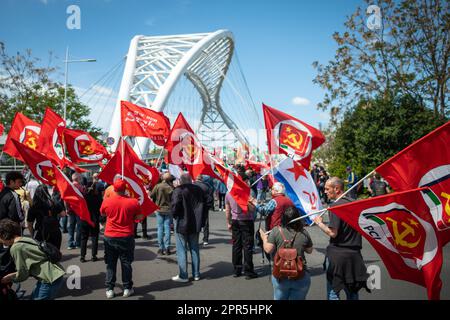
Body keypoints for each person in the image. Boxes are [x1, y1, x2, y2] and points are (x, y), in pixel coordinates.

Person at [314, 177, 369, 300]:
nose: (325, 191)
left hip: (338, 256)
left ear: (337, 189)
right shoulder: (354, 203)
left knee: (334, 292)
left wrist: (319, 223)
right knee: (352, 292)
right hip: (354, 255)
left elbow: (333, 233)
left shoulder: (336, 207)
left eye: (328, 189)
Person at [0, 219, 65, 300]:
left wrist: (10, 278)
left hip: (48, 279)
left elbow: (23, 273)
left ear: (4, 235)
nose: (1, 242)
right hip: (54, 273)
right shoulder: (25, 239)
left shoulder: (16, 248)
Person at [100, 179, 144, 299]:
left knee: (111, 263)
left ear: (114, 189)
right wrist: (131, 215)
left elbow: (103, 214)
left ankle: (109, 289)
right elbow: (140, 216)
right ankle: (127, 288)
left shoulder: (107, 201)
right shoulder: (133, 202)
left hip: (110, 236)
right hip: (126, 236)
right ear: (125, 189)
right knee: (126, 263)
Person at [259, 206, 313, 300]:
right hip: (300, 274)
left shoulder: (276, 231)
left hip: (281, 275)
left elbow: (268, 249)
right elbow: (309, 250)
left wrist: (264, 238)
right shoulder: (303, 232)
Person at [170, 173, 206, 282]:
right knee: (194, 248)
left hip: (182, 222)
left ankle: (183, 275)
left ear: (181, 181)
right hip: (195, 223)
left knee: (182, 249)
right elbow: (207, 203)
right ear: (190, 180)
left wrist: (175, 216)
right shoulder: (199, 189)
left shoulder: (179, 190)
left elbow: (175, 205)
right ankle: (196, 274)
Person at [225, 192, 258, 279]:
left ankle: (237, 269)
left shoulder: (228, 193)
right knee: (247, 246)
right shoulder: (247, 193)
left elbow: (227, 209)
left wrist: (228, 222)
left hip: (235, 220)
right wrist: (251, 200)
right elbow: (253, 208)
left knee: (236, 245)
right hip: (246, 220)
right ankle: (248, 271)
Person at [27, 185, 64, 249]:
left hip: (41, 232)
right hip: (55, 231)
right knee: (55, 253)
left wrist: (32, 234)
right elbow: (63, 214)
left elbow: (30, 224)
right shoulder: (54, 202)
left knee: (42, 254)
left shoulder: (34, 206)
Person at [151, 173, 174, 255]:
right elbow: (173, 199)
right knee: (167, 228)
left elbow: (151, 195)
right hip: (168, 210)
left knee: (160, 228)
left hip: (159, 209)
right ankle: (167, 247)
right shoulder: (170, 188)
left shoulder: (157, 186)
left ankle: (161, 248)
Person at [80, 177, 102, 263]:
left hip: (84, 219)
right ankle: (94, 255)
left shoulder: (83, 198)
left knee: (84, 238)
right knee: (94, 237)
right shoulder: (97, 198)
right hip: (94, 219)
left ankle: (82, 256)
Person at [67, 173, 86, 249]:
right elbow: (84, 198)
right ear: (78, 178)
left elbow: (66, 199)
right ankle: (78, 243)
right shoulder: (80, 187)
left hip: (71, 209)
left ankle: (70, 243)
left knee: (71, 227)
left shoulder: (69, 186)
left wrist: (67, 208)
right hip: (79, 209)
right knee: (79, 226)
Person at [194, 175, 214, 246]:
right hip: (204, 206)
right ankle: (205, 239)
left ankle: (195, 238)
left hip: (195, 207)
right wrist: (208, 206)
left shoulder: (193, 186)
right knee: (205, 223)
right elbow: (210, 198)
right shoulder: (206, 186)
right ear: (202, 179)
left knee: (195, 222)